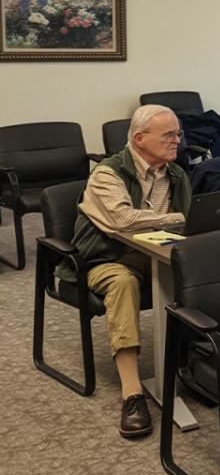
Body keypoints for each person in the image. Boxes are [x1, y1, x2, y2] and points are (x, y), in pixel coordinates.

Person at [57, 105, 192, 438]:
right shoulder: (107, 173)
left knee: (209, 271)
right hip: (103, 260)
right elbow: (123, 220)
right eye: (169, 135)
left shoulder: (175, 173)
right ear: (139, 138)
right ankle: (132, 394)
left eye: (178, 134)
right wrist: (176, 219)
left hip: (155, 255)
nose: (177, 141)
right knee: (124, 283)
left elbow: (192, 217)